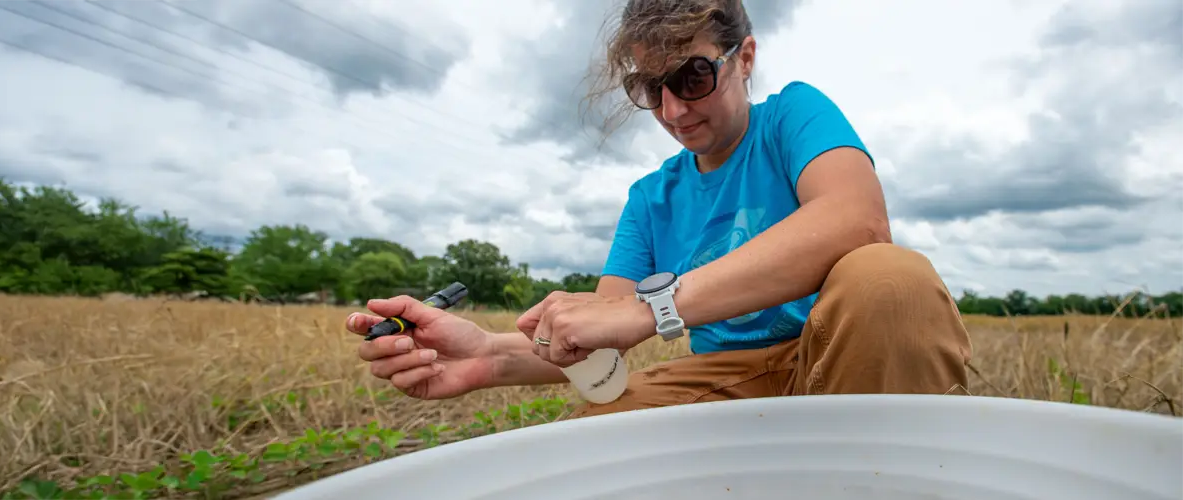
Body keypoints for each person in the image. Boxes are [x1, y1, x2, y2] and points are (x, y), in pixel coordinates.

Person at [346, 0, 973, 420]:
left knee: (889, 279)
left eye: (694, 76)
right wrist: (483, 353)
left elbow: (855, 219)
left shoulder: (793, 118)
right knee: (610, 419)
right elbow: (597, 341)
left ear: (744, 59)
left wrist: (653, 309)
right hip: (730, 377)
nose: (673, 110)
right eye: (652, 87)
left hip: (847, 354)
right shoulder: (650, 199)